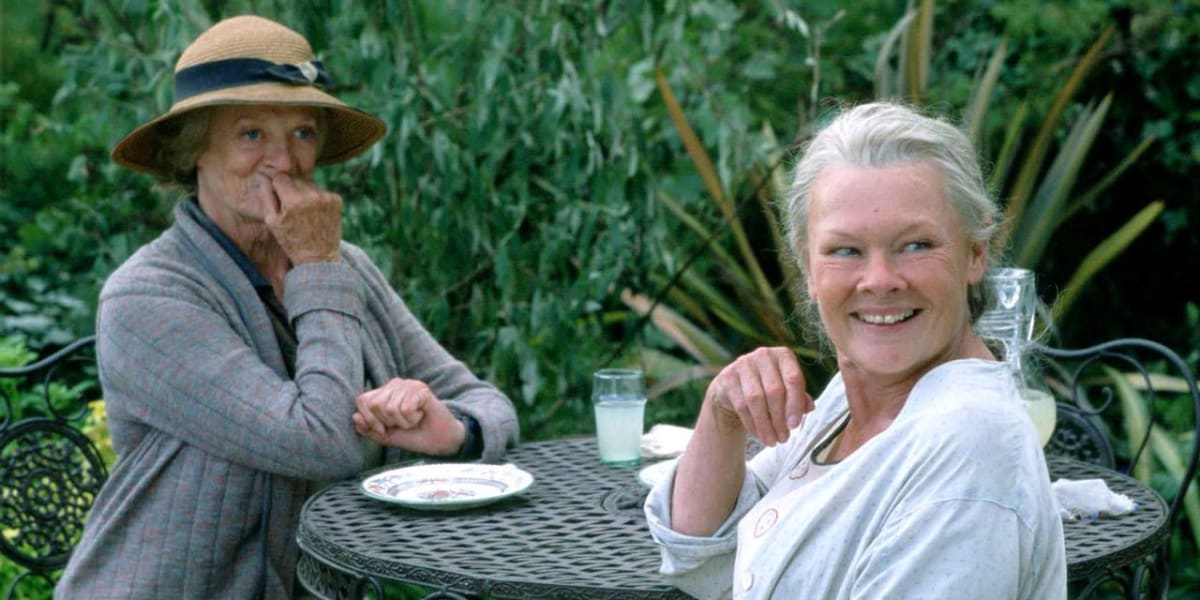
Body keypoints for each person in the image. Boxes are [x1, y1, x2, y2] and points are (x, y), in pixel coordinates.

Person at [56, 15, 519, 598]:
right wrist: (318, 269)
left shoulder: (343, 264)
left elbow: (488, 403)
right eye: (251, 134)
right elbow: (320, 443)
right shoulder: (146, 295)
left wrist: (451, 431)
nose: (283, 160)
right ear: (193, 151)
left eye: (301, 132)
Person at [643, 102, 1066, 599]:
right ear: (806, 266)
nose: (880, 280)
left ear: (976, 254)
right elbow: (701, 559)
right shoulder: (854, 397)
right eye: (846, 250)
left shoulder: (967, 443)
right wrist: (720, 414)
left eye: (915, 245)